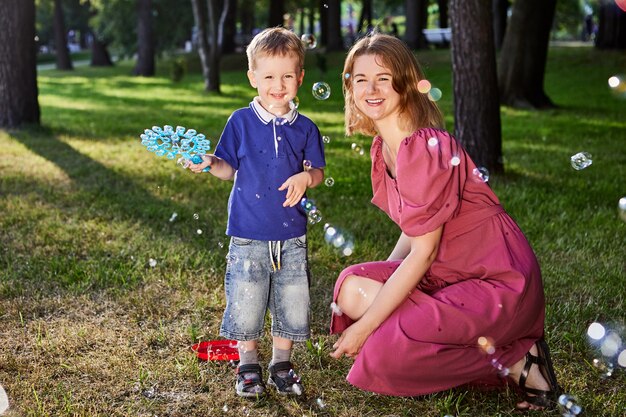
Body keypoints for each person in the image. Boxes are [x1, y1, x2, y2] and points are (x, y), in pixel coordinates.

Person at [328, 34, 560, 411]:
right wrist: (383, 278)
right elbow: (413, 227)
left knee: (385, 354)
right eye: (360, 79)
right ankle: (425, 339)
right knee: (352, 288)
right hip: (446, 274)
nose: (370, 88)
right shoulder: (384, 147)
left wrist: (367, 326)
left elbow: (424, 250)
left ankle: (518, 361)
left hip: (494, 281)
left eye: (383, 78)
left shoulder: (423, 146)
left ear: (405, 83)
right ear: (349, 86)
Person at [190, 27, 326, 398]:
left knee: (292, 301)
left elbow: (317, 172)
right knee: (247, 301)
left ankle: (282, 363)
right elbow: (227, 168)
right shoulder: (240, 122)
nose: (277, 85)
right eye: (268, 76)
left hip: (292, 237)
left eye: (286, 76)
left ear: (300, 78)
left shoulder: (306, 128)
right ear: (253, 78)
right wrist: (209, 162)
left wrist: (306, 177)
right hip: (248, 233)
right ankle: (247, 364)